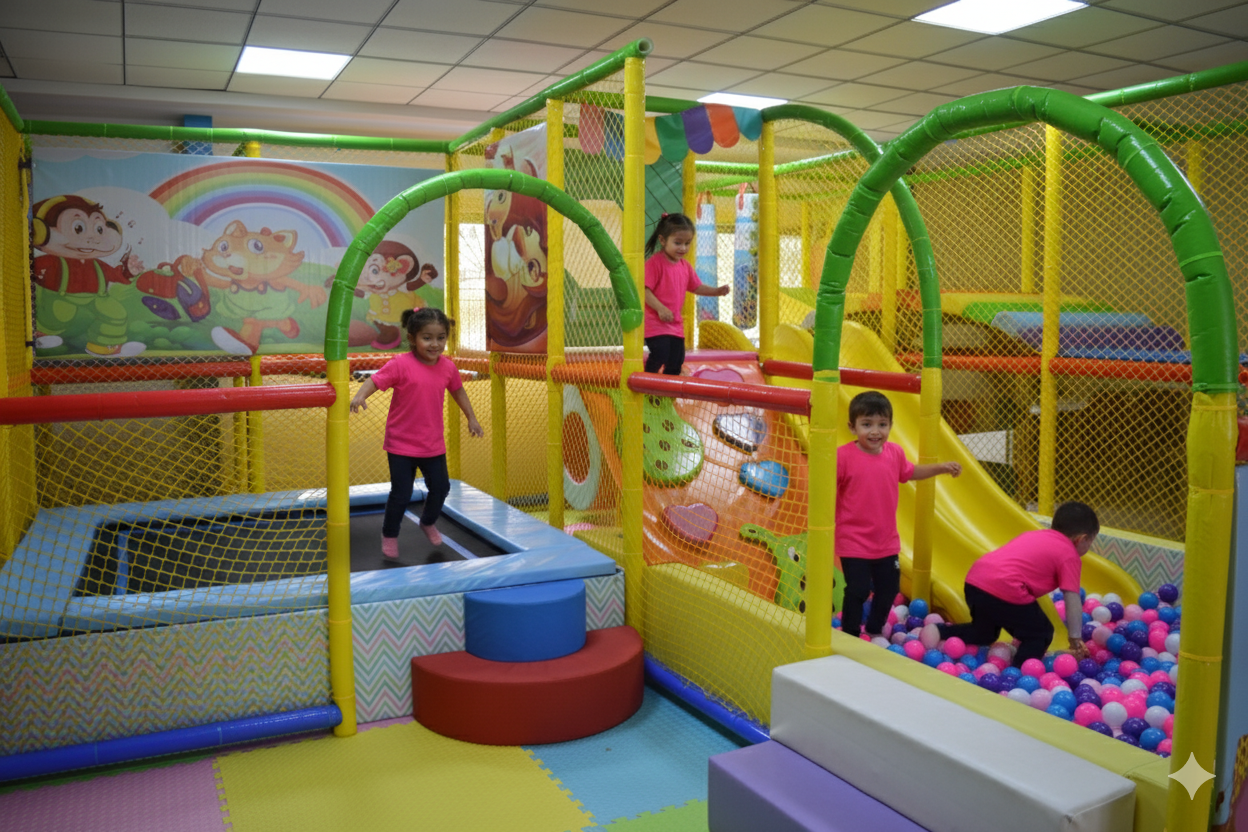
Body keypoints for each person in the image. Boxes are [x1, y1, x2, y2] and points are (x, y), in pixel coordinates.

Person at [350, 307, 483, 558]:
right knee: (401, 493)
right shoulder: (400, 364)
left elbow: (458, 391)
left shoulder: (447, 367)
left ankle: (428, 521)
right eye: (427, 338)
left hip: (432, 444)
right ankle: (389, 534)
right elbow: (375, 381)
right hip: (400, 444)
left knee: (441, 488)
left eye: (441, 337)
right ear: (412, 338)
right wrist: (359, 395)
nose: (435, 344)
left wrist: (472, 418)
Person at [837, 390, 962, 638]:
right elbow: (826, 486)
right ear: (852, 427)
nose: (875, 431)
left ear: (891, 425)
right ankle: (850, 633)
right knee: (858, 589)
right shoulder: (843, 456)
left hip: (885, 541)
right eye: (867, 424)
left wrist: (941, 467)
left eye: (882, 424)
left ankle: (874, 630)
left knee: (888, 589)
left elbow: (910, 472)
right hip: (853, 541)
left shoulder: (894, 453)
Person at [928, 501, 1098, 666]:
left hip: (975, 581)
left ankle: (940, 631)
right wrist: (1075, 638)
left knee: (984, 633)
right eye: (1090, 542)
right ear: (1081, 539)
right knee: (1040, 632)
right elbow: (1071, 597)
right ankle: (1019, 670)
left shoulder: (1035, 535)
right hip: (1006, 587)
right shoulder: (1069, 554)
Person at [643, 212, 730, 375]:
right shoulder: (655, 263)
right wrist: (660, 308)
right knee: (661, 353)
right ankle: (647, 383)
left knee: (677, 360)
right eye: (677, 243)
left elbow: (696, 287)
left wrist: (716, 291)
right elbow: (644, 290)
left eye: (687, 243)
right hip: (655, 323)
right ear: (663, 240)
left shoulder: (685, 266)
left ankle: (667, 393)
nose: (683, 248)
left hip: (675, 324)